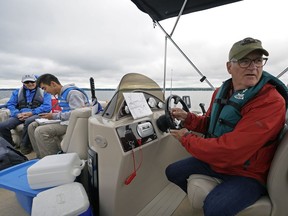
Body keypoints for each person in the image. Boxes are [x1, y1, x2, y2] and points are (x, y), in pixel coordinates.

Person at [165, 37, 288, 216]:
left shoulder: (270, 101)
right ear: (229, 67)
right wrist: (188, 118)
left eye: (258, 60)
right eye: (245, 61)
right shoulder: (221, 92)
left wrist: (186, 138)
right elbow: (211, 124)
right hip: (218, 163)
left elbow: (232, 150)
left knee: (214, 208)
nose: (253, 66)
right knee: (173, 171)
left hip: (248, 173)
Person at [28, 73, 99, 158]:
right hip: (65, 121)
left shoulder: (73, 93)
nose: (45, 92)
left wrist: (53, 116)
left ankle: (53, 160)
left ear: (53, 84)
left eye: (45, 88)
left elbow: (77, 114)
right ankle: (40, 156)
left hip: (73, 123)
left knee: (41, 131)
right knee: (32, 126)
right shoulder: (61, 95)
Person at [0, 74, 52, 154]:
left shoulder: (44, 92)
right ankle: (10, 146)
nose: (30, 83)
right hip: (20, 114)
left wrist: (31, 113)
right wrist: (17, 114)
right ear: (23, 82)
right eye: (27, 82)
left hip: (36, 114)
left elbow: (47, 106)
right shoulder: (17, 92)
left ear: (36, 81)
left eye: (32, 81)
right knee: (3, 126)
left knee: (28, 121)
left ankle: (25, 146)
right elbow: (10, 104)